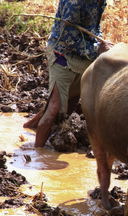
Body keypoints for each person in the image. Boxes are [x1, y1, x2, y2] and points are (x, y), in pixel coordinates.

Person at [23, 0, 112, 147]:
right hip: (62, 55)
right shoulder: (75, 2)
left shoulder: (100, 1)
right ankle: (37, 155)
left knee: (70, 103)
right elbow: (68, 39)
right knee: (55, 108)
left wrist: (101, 41)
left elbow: (94, 28)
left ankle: (31, 127)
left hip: (83, 57)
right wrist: (97, 50)